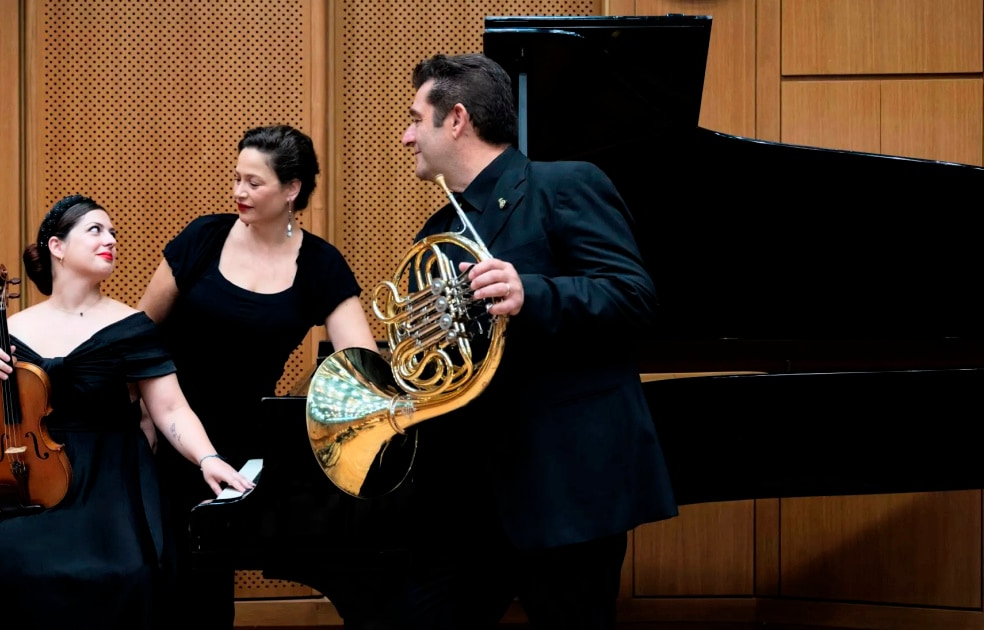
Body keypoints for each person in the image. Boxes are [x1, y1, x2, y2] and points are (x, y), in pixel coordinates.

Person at [387, 53, 679, 629]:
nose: (406, 136)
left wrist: (534, 293)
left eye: (416, 119)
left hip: (565, 492)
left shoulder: (563, 185)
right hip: (466, 500)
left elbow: (634, 296)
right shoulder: (437, 233)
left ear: (457, 119)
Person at [0, 194, 254, 630]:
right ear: (57, 246)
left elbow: (171, 409)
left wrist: (208, 458)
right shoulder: (16, 329)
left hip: (115, 480)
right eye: (95, 230)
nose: (111, 240)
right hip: (43, 483)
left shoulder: (132, 327)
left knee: (126, 577)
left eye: (113, 232)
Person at [137, 124, 377, 628]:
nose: (238, 192)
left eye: (253, 182)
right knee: (150, 577)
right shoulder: (203, 238)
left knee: (206, 589)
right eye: (236, 178)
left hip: (240, 446)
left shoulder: (321, 265)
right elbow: (140, 334)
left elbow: (360, 365)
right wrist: (141, 413)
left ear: (292, 189)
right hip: (164, 426)